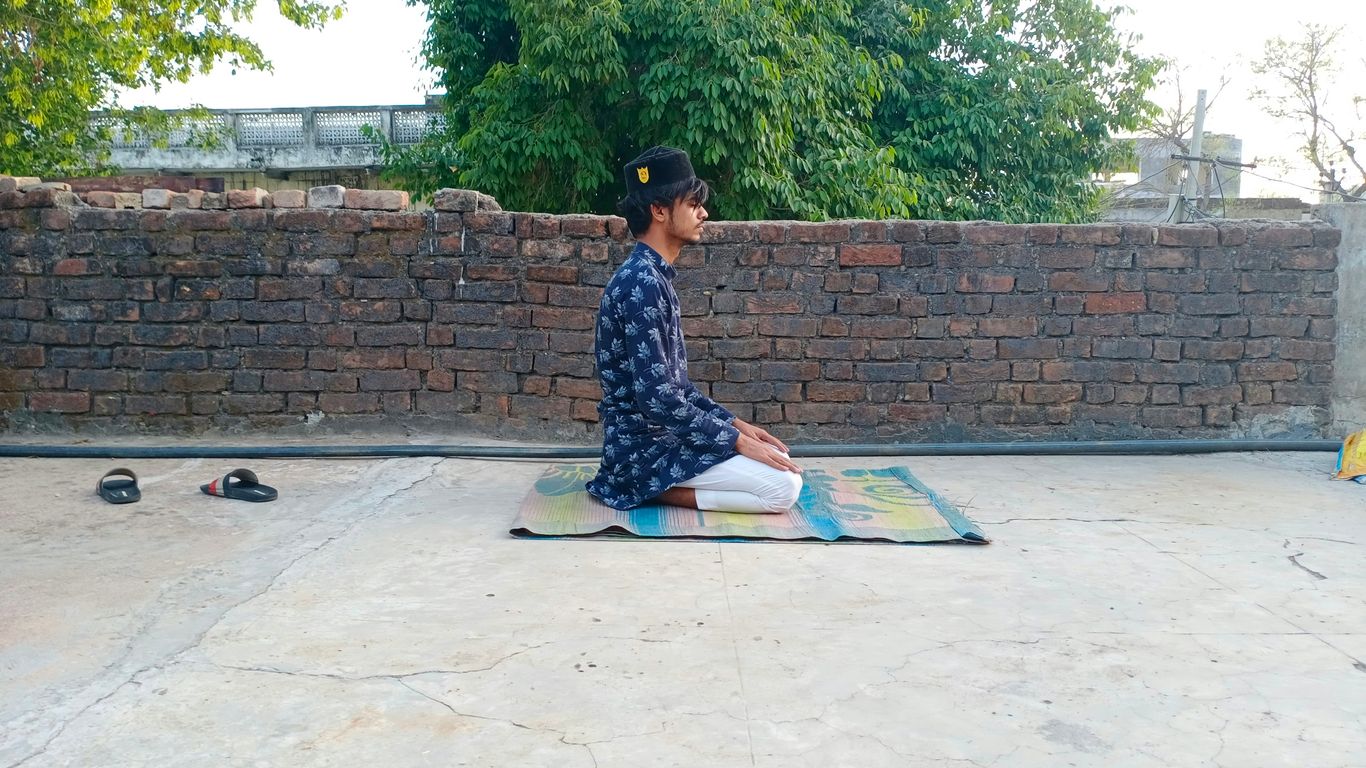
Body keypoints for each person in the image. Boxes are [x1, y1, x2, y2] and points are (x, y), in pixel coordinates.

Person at [586, 146, 803, 514]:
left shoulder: (653, 276)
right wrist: (735, 442)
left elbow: (679, 389)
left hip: (663, 437)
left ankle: (639, 484)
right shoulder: (643, 283)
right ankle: (641, 488)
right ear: (659, 210)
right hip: (642, 449)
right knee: (783, 487)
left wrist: (736, 425)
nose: (704, 213)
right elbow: (657, 398)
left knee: (779, 459)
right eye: (692, 204)